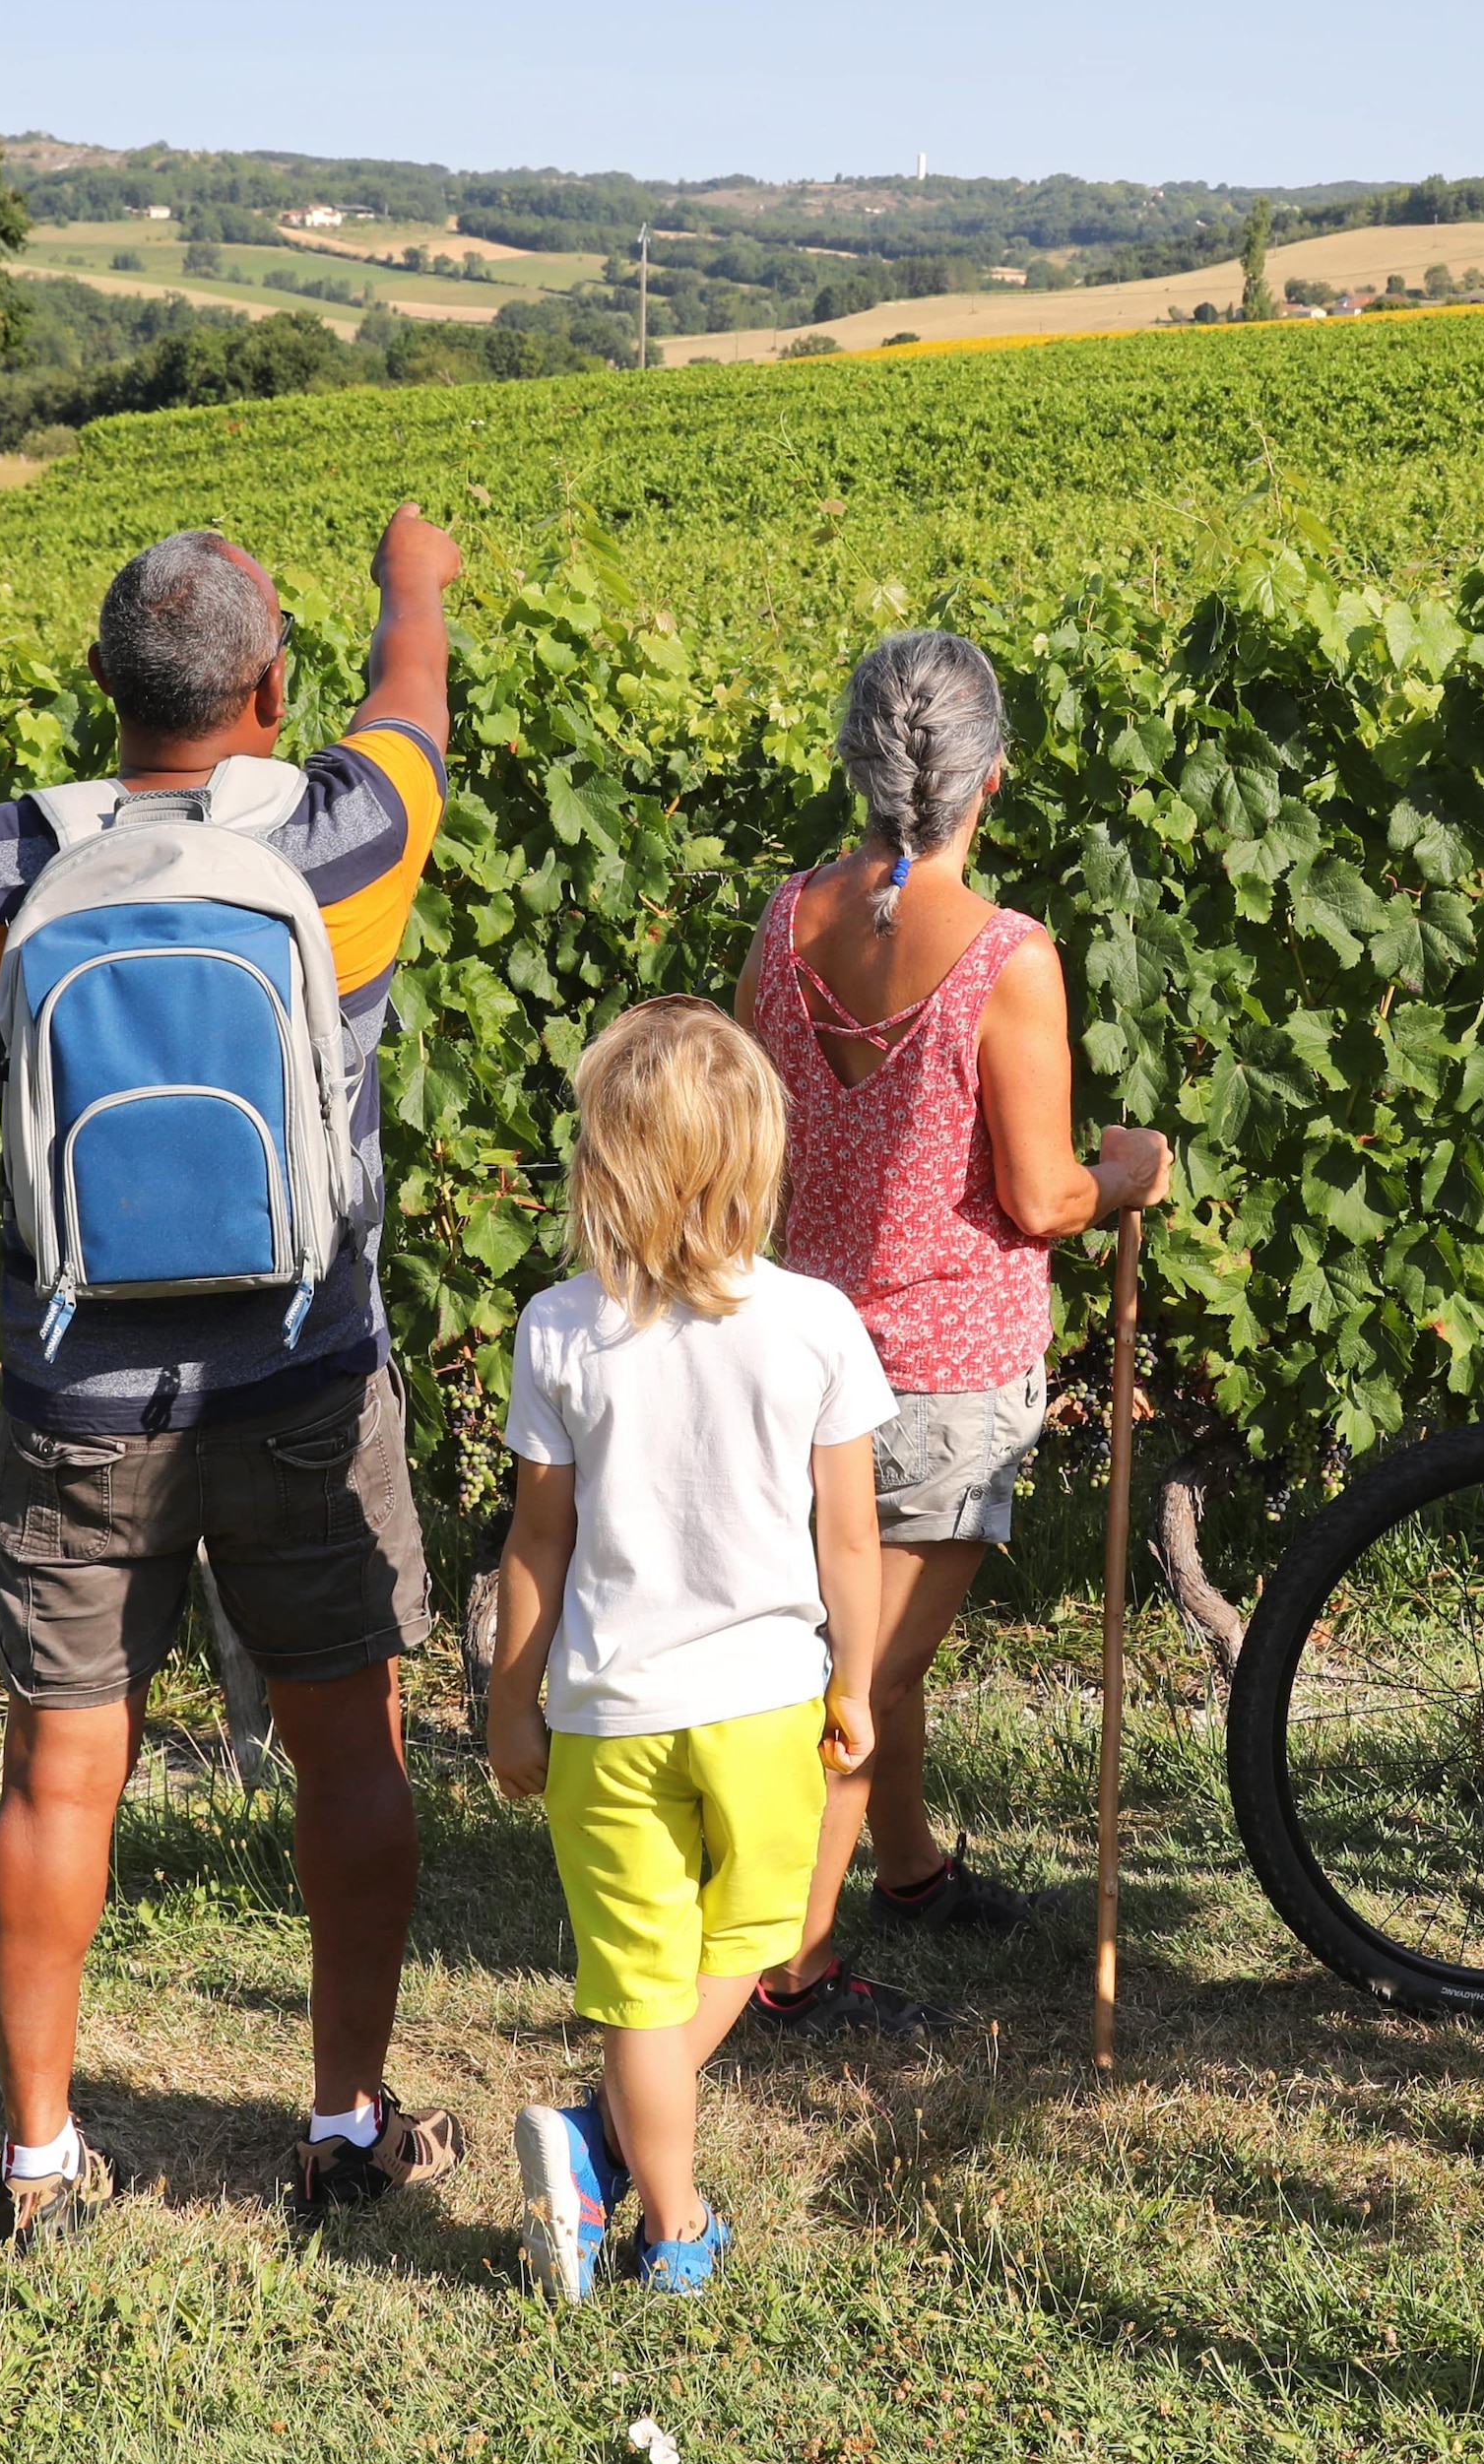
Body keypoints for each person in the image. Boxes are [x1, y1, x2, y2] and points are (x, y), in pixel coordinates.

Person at [0, 509, 470, 2252]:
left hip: (72, 1394)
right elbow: (417, 702)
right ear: (273, 689)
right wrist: (412, 576)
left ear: (97, 686)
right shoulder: (352, 841)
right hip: (302, 1373)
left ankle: (43, 2164)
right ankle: (348, 2126)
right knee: (345, 1745)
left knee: (60, 1773)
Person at [729, 632, 1170, 2034]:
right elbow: (1041, 1195)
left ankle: (909, 1873)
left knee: (860, 1645)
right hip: (940, 1371)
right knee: (866, 1676)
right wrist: (1131, 1172)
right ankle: (788, 1971)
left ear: (860, 764)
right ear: (994, 777)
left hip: (795, 1344)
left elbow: (751, 1138)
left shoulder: (786, 919)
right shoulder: (1007, 956)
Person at [480, 999, 897, 2300]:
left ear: (603, 1164)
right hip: (768, 1704)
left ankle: (664, 2222)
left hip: (607, 1709)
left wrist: (511, 1700)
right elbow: (849, 1537)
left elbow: (534, 1543)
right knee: (754, 1938)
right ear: (758, 1158)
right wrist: (856, 1679)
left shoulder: (558, 1327)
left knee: (641, 1987)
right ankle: (634, 2183)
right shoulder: (817, 1321)